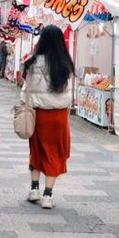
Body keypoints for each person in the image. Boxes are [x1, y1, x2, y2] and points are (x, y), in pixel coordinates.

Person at [21, 24, 73, 209]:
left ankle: (34, 189)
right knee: (55, 152)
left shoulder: (31, 62)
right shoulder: (65, 64)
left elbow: (26, 88)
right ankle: (48, 195)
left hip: (37, 113)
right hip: (58, 115)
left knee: (36, 150)